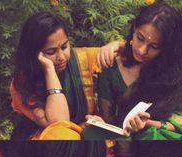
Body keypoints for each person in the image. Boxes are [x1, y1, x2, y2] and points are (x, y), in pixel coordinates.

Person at [83, 2, 182, 140]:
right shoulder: (112, 66)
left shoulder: (178, 70)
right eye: (140, 38)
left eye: (154, 46)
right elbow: (110, 122)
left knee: (150, 136)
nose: (142, 50)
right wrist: (101, 124)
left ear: (167, 48)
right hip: (127, 137)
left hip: (165, 135)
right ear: (134, 28)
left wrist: (148, 124)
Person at [9, 11, 121, 140]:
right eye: (51, 52)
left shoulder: (80, 58)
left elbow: (128, 52)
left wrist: (116, 44)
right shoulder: (22, 85)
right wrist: (49, 70)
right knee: (61, 135)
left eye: (64, 47)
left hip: (83, 134)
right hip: (44, 140)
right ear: (34, 53)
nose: (61, 57)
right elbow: (59, 123)